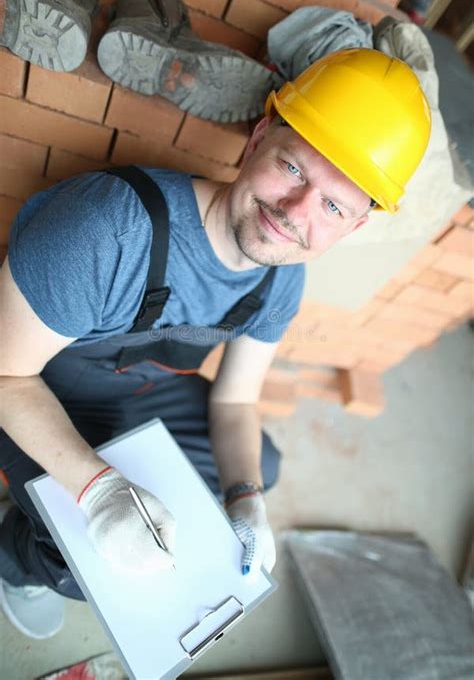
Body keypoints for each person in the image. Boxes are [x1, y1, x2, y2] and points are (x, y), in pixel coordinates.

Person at [0, 47, 431, 639]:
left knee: (258, 469)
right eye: (295, 169)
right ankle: (19, 560)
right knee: (82, 566)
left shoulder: (283, 275)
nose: (296, 212)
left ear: (353, 227)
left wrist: (247, 496)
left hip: (141, 389)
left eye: (333, 205)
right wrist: (97, 490)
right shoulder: (103, 230)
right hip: (35, 386)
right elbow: (6, 375)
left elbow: (233, 402)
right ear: (258, 139)